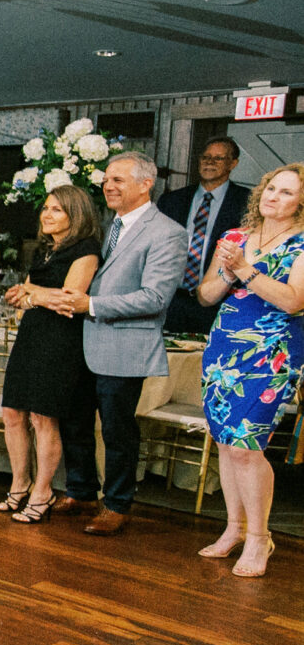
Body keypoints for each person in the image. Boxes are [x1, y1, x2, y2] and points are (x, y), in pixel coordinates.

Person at [48, 153, 186, 535]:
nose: (108, 186)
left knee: (116, 431)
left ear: (146, 184)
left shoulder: (167, 233)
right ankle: (80, 490)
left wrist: (90, 304)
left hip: (126, 345)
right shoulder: (108, 226)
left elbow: (155, 298)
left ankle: (118, 503)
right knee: (74, 421)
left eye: (119, 180)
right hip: (84, 343)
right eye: (107, 179)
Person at [194, 163, 304, 577]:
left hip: (271, 354)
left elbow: (294, 300)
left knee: (246, 446)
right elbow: (205, 295)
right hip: (224, 348)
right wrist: (226, 271)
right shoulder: (236, 238)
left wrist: (245, 270)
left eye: (286, 192)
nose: (273, 197)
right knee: (225, 443)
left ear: (301, 203)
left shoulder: (301, 244)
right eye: (270, 188)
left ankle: (260, 538)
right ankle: (233, 529)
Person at [0, 187, 102, 522]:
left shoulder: (86, 250)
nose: (47, 214)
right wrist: (35, 296)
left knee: (43, 417)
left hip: (62, 340)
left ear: (77, 214)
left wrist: (33, 294)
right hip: (31, 335)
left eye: (57, 209)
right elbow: (26, 295)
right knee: (12, 412)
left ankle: (43, 492)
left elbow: (70, 299)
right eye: (45, 208)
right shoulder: (43, 250)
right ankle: (20, 482)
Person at [161, 137, 248, 334]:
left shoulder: (246, 202)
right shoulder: (172, 200)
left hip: (219, 303)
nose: (209, 162)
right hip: (172, 300)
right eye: (206, 157)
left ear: (233, 163)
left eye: (218, 158)